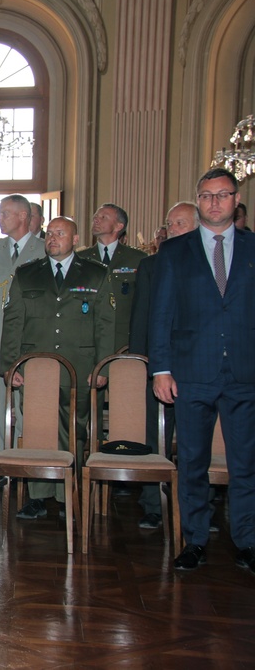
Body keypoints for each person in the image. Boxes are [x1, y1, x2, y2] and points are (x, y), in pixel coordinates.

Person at [150, 167, 255, 574]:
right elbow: (161, 315)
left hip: (245, 374)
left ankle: (246, 542)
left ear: (235, 199)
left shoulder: (251, 248)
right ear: (199, 201)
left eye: (223, 195)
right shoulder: (176, 252)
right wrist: (160, 368)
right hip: (191, 373)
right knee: (191, 462)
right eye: (207, 196)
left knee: (245, 464)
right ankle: (194, 540)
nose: (215, 202)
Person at [1, 216, 113, 518]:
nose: (52, 239)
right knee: (39, 430)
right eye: (49, 234)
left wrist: (103, 367)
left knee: (74, 431)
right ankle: (38, 495)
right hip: (37, 369)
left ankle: (67, 495)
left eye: (60, 234)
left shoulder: (95, 274)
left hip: (80, 367)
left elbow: (105, 325)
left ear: (75, 239)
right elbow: (13, 323)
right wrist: (10, 366)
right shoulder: (27, 274)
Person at [128, 201, 198, 530]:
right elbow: (142, 315)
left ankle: (199, 505)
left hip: (199, 367)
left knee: (196, 439)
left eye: (180, 224)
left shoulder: (211, 263)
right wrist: (143, 361)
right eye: (169, 225)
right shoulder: (151, 265)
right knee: (153, 437)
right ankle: (152, 504)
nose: (172, 230)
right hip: (158, 366)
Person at [0, 195, 46, 492]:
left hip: (30, 341)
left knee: (28, 407)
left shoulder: (44, 249)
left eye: (5, 214)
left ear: (24, 216)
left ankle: (25, 461)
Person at [78, 203, 147, 351]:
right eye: (96, 217)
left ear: (118, 226)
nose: (96, 220)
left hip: (123, 339)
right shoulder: (81, 258)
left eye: (103, 217)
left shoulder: (137, 259)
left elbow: (144, 302)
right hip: (89, 338)